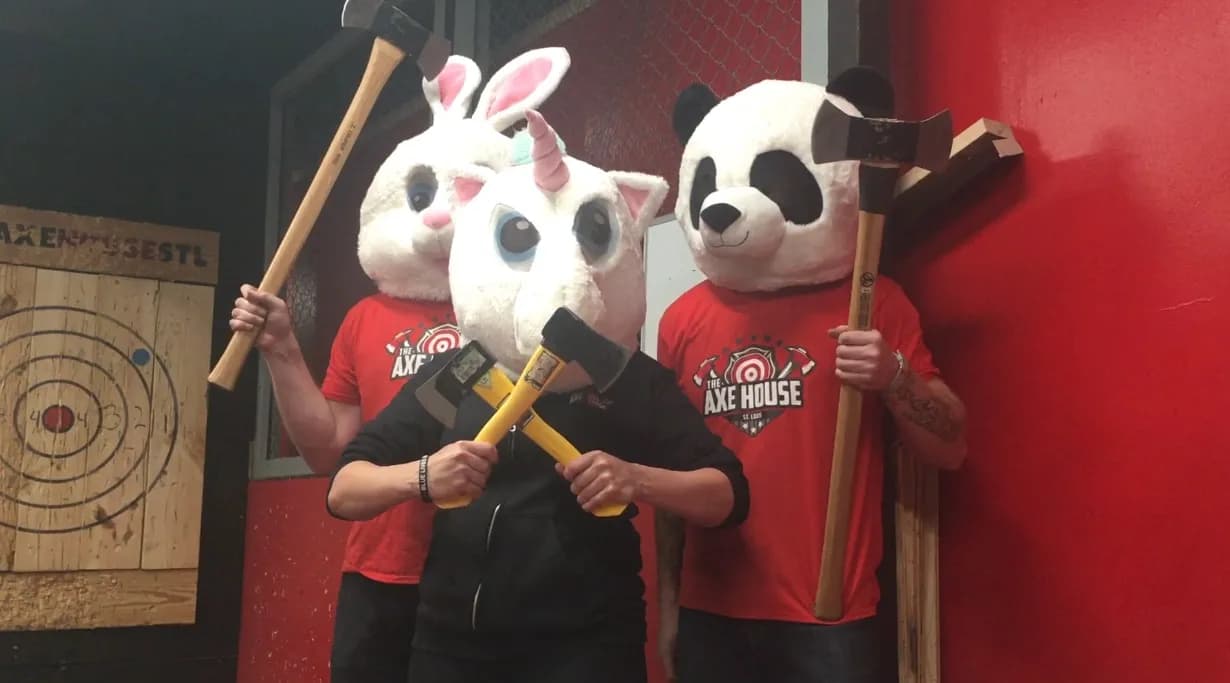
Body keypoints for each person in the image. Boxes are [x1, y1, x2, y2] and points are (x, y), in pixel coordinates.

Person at [328, 109, 749, 683]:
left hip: (589, 648)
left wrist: (637, 480)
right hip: (454, 644)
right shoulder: (464, 371)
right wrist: (425, 476)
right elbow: (345, 488)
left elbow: (726, 496)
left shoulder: (623, 377)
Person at [229, 49, 572, 683]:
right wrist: (281, 349)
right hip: (381, 569)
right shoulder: (366, 319)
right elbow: (331, 452)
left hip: (488, 577)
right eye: (422, 193)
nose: (442, 212)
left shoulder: (516, 317)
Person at [655, 67, 969, 683]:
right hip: (710, 610)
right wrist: (669, 606)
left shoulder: (872, 303)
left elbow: (950, 447)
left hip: (830, 616)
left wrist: (894, 375)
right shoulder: (681, 321)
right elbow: (671, 482)